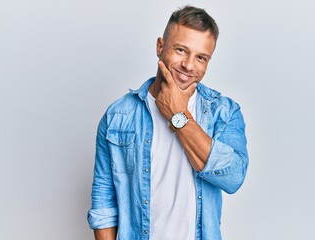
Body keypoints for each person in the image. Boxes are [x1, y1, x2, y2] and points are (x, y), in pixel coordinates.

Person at [87, 5, 248, 240]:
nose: (189, 65)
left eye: (201, 57)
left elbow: (232, 178)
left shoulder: (223, 112)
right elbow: (104, 200)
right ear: (160, 47)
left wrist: (177, 114)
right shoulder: (118, 116)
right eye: (181, 50)